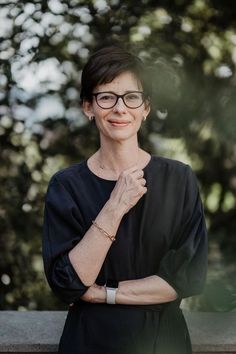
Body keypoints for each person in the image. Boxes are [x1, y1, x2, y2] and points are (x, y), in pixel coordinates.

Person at [42, 46, 208, 354]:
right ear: (88, 107)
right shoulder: (65, 187)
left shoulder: (179, 179)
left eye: (131, 97)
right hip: (88, 343)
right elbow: (68, 283)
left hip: (163, 343)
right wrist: (115, 205)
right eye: (106, 97)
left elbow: (185, 278)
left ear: (145, 107)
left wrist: (103, 293)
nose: (120, 108)